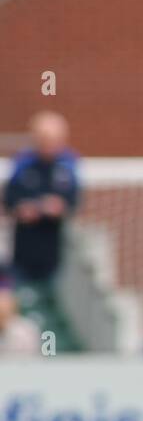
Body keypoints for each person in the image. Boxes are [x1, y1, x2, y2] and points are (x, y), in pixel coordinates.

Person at [3, 112, 78, 289]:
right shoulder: (23, 163)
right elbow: (9, 199)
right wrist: (22, 209)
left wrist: (58, 207)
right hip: (23, 249)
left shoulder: (67, 165)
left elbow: (73, 201)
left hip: (53, 252)